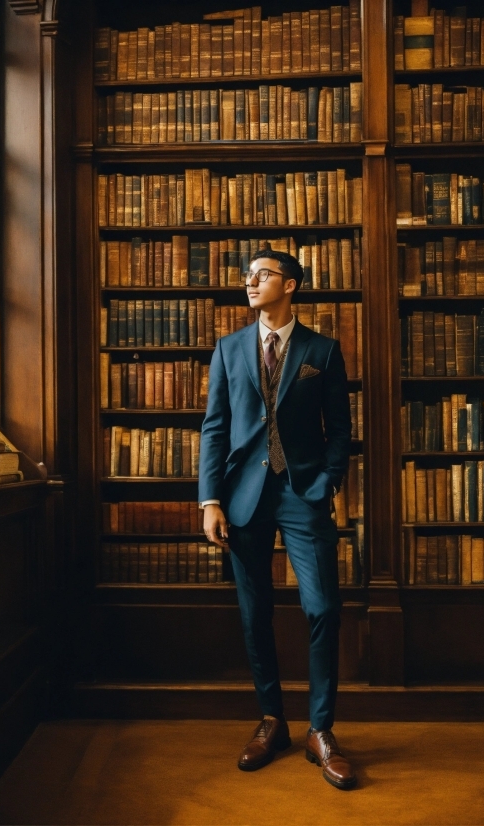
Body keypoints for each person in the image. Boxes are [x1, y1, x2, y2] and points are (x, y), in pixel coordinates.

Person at [198, 249, 356, 790]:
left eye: (262, 275)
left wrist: (329, 481)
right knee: (253, 612)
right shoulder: (228, 349)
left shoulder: (322, 351)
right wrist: (210, 500)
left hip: (303, 492)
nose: (250, 282)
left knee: (323, 607)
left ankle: (321, 729)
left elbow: (340, 428)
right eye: (248, 276)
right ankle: (272, 721)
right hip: (243, 497)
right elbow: (214, 428)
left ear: (290, 285)